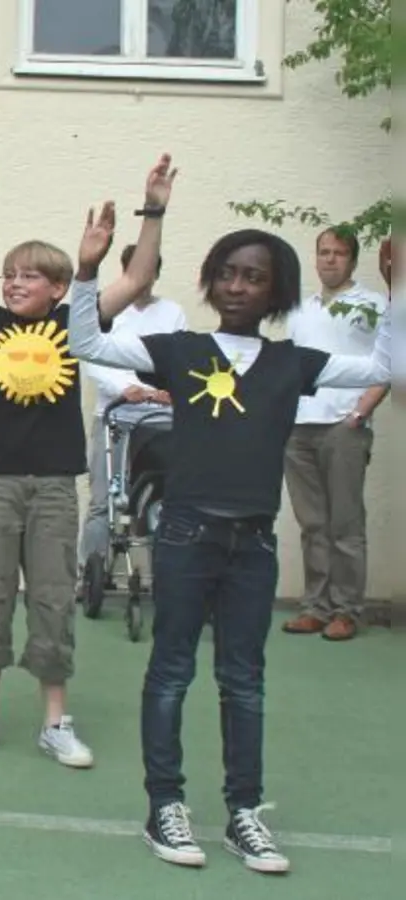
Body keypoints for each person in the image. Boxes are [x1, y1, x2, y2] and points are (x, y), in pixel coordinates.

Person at [67, 158, 391, 875]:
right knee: (172, 671)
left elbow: (381, 368)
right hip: (184, 534)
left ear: (276, 292)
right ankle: (165, 807)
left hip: (252, 544)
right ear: (210, 282)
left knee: (244, 680)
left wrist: (396, 290)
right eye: (228, 274)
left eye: (255, 277)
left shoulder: (292, 363)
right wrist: (88, 273)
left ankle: (245, 812)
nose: (239, 285)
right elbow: (85, 344)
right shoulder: (178, 351)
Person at [0, 154, 118, 769]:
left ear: (58, 289)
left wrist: (100, 255)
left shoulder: (72, 325)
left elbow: (135, 280)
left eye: (29, 276)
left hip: (57, 488)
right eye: (8, 274)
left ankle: (55, 722)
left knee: (53, 599)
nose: (13, 284)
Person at [279, 227, 389, 641]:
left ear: (353, 260)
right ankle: (315, 608)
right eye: (323, 252)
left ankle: (346, 611)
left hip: (345, 427)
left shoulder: (373, 306)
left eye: (338, 253)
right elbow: (288, 366)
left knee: (345, 525)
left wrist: (361, 411)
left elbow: (390, 363)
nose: (329, 260)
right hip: (299, 428)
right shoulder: (299, 310)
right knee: (313, 525)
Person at [76, 244, 186, 578]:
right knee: (103, 501)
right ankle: (90, 572)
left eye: (149, 269)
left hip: (157, 422)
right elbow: (91, 356)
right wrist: (126, 390)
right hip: (115, 415)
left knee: (157, 498)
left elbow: (176, 358)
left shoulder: (172, 312)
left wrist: (158, 393)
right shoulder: (108, 308)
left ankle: (165, 572)